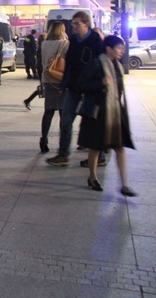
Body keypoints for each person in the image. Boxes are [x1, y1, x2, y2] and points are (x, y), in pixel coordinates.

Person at [76, 35, 136, 196]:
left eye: (122, 48)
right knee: (96, 147)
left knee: (119, 147)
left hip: (115, 112)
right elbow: (81, 84)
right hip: (100, 113)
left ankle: (124, 184)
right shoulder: (96, 63)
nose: (121, 51)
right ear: (108, 48)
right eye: (118, 48)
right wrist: (100, 83)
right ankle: (92, 177)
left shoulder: (118, 66)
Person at [46, 10, 103, 167]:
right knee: (66, 120)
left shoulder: (95, 40)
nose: (74, 26)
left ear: (86, 24)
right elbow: (69, 64)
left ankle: (100, 154)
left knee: (90, 122)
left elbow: (101, 63)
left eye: (77, 24)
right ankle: (63, 154)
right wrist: (64, 84)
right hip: (74, 87)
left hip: (91, 88)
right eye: (73, 24)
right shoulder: (73, 40)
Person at [37, 22, 68, 153]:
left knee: (48, 111)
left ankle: (44, 139)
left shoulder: (44, 43)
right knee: (63, 113)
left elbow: (42, 61)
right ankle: (63, 141)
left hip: (48, 79)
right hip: (60, 79)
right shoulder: (65, 43)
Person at [22, 32, 47, 109]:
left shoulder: (28, 38)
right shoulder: (42, 47)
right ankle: (28, 100)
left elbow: (24, 43)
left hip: (38, 67)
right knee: (44, 88)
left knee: (43, 88)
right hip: (42, 69)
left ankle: (28, 100)